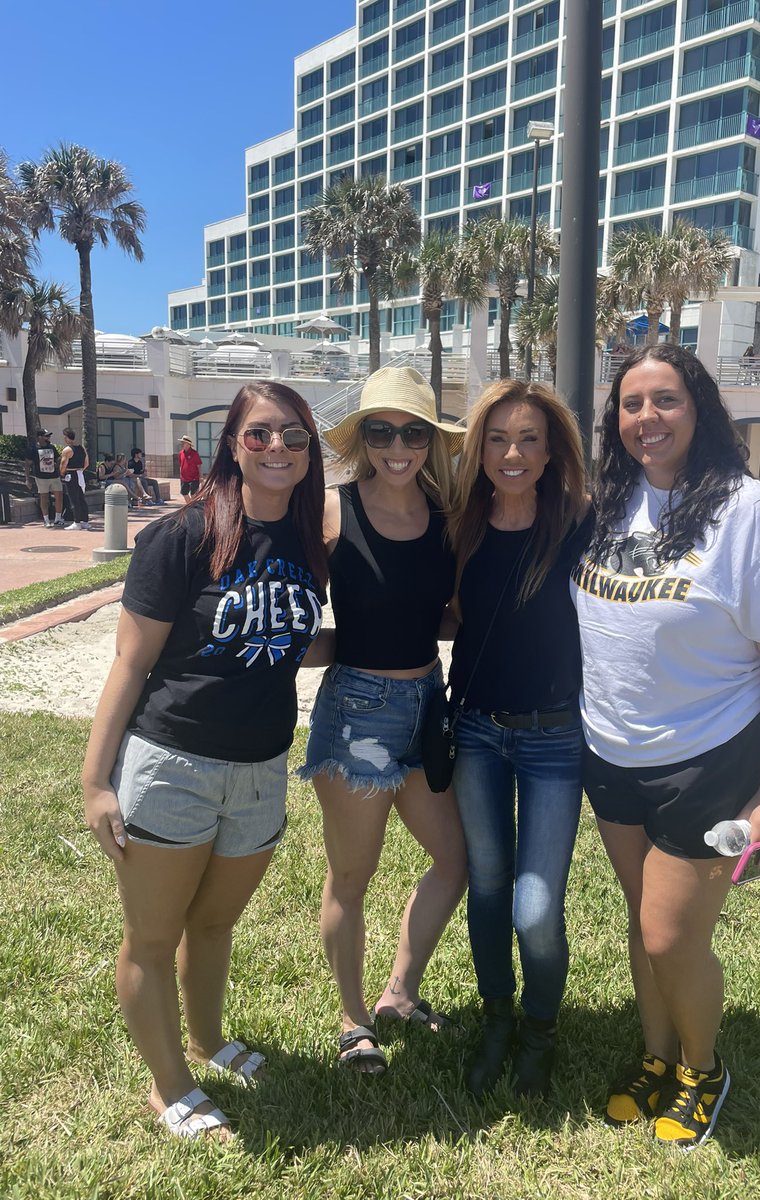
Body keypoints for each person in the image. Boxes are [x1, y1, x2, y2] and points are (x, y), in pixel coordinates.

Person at [572, 345, 760, 1150]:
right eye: (632, 404)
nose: (648, 418)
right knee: (641, 917)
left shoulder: (751, 510)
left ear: (700, 408)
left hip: (709, 760)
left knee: (669, 936)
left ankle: (702, 1067)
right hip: (609, 756)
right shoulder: (606, 503)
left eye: (666, 400)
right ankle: (655, 1055)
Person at [81, 381, 328, 1140]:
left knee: (214, 924)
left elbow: (285, 639)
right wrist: (95, 781)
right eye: (259, 435)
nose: (277, 447)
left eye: (292, 433)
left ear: (310, 444)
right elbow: (131, 663)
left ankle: (206, 1040)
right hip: (173, 762)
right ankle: (170, 1088)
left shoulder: (308, 537)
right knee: (153, 939)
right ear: (231, 444)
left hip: (261, 769)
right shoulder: (183, 536)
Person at [298, 366, 468, 1073]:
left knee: (457, 861)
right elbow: (298, 617)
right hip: (357, 714)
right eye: (382, 431)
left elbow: (449, 617)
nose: (398, 446)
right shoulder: (334, 510)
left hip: (428, 704)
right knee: (352, 876)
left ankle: (399, 992)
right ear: (364, 438)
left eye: (413, 432)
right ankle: (351, 1020)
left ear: (431, 440)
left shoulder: (448, 516)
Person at [447, 380, 591, 1098]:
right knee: (488, 887)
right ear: (479, 448)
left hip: (555, 739)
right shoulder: (461, 522)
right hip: (474, 731)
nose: (512, 453)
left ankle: (541, 1028)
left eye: (529, 438)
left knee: (536, 908)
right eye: (498, 438)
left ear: (551, 449)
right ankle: (496, 1019)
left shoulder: (578, 521)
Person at [23, 428, 65, 527]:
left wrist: (57, 465)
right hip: (41, 477)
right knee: (44, 497)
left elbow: (58, 459)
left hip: (54, 476)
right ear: (39, 437)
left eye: (49, 436)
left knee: (59, 496)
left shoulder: (52, 447)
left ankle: (58, 518)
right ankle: (46, 520)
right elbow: (27, 464)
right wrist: (27, 479)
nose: (48, 437)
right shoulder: (33, 449)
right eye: (46, 436)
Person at [59, 427, 90, 529]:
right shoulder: (82, 448)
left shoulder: (67, 450)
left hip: (71, 474)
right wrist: (80, 470)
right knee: (81, 498)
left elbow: (63, 465)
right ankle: (85, 521)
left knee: (74, 498)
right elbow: (87, 463)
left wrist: (63, 473)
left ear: (67, 438)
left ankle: (77, 522)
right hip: (80, 473)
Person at [179, 435, 203, 500]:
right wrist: (180, 475)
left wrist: (201, 477)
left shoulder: (194, 454)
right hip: (184, 478)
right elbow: (181, 464)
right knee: (184, 493)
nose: (182, 444)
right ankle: (190, 507)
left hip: (194, 478)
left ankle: (193, 507)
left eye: (183, 443)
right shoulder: (181, 453)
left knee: (193, 495)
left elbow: (199, 466)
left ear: (188, 444)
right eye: (182, 442)